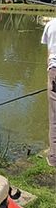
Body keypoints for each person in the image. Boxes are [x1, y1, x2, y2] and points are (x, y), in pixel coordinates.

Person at [41, 18, 56, 166]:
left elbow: (50, 52)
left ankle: (54, 158)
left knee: (54, 117)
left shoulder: (51, 25)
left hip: (54, 71)